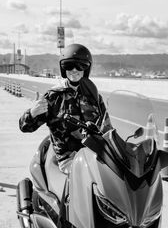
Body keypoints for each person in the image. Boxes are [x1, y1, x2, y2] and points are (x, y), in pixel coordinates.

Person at [19, 43, 112, 174]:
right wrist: (32, 113)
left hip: (94, 154)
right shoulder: (53, 96)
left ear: (87, 69)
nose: (74, 70)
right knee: (84, 178)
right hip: (68, 158)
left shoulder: (93, 96)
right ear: (63, 69)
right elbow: (25, 127)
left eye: (80, 66)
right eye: (69, 66)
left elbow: (107, 130)